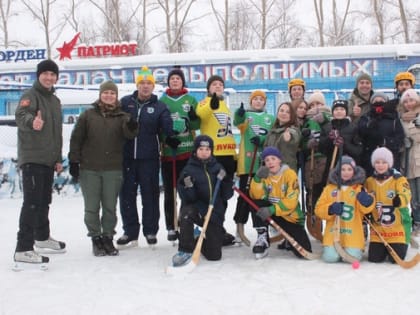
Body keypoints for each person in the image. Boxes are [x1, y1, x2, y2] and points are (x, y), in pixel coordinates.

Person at [68, 81, 138, 256]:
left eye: (112, 93)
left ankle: (107, 237)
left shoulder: (122, 116)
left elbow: (130, 135)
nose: (109, 96)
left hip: (112, 169)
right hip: (89, 169)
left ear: (116, 96)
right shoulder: (88, 115)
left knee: (109, 207)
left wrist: (132, 125)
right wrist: (74, 161)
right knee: (91, 207)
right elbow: (76, 139)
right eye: (105, 93)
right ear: (100, 94)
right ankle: (96, 238)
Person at [14, 59, 65, 266]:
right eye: (45, 74)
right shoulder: (30, 96)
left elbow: (56, 133)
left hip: (47, 159)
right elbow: (21, 115)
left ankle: (42, 237)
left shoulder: (54, 100)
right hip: (32, 157)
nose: (49, 77)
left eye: (52, 74)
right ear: (38, 75)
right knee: (32, 202)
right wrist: (31, 122)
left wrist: (57, 158)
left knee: (44, 201)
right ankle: (23, 248)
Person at [118, 66, 175, 247]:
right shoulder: (125, 103)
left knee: (150, 195)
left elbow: (166, 124)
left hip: (149, 158)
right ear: (137, 85)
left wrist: (170, 133)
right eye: (142, 83)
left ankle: (150, 231)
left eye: (148, 83)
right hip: (127, 157)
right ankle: (130, 231)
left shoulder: (159, 106)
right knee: (127, 195)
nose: (145, 87)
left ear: (153, 86)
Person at [172, 135, 234, 266]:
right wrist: (187, 186)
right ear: (195, 151)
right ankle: (185, 250)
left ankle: (197, 238)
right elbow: (188, 199)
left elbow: (227, 195)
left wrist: (227, 182)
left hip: (214, 213)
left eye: (207, 149)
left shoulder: (218, 168)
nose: (204, 152)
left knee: (214, 256)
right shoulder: (188, 170)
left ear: (211, 151)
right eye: (201, 149)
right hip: (197, 210)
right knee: (186, 214)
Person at [195, 74, 237, 245]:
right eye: (214, 84)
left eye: (220, 84)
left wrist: (234, 155)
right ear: (208, 88)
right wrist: (211, 103)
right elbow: (201, 114)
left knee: (224, 196)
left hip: (227, 155)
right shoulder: (206, 102)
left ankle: (218, 227)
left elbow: (227, 133)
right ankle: (206, 228)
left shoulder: (225, 106)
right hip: (213, 156)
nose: (218, 87)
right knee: (211, 194)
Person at [249, 146, 312, 259]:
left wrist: (272, 209)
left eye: (273, 158)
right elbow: (256, 196)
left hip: (290, 218)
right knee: (256, 203)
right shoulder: (264, 175)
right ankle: (262, 238)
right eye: (267, 160)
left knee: (304, 251)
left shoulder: (289, 174)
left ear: (279, 160)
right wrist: (257, 179)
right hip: (273, 216)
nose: (270, 162)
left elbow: (291, 201)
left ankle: (288, 239)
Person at [159, 67, 199, 242]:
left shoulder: (190, 99)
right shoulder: (162, 100)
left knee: (187, 191)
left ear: (183, 81)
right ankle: (171, 225)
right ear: (168, 82)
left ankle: (185, 221)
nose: (175, 81)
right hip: (169, 154)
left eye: (178, 78)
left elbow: (197, 124)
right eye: (172, 78)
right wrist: (166, 139)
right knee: (170, 192)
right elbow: (158, 125)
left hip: (187, 153)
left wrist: (193, 118)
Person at [233, 90, 275, 242]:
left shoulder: (270, 118)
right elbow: (237, 122)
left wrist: (263, 140)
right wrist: (239, 113)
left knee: (264, 196)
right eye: (255, 99)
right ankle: (239, 225)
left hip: (264, 165)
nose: (258, 101)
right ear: (251, 102)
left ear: (265, 102)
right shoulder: (246, 117)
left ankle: (268, 224)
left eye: (261, 99)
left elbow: (272, 136)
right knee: (244, 196)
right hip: (247, 163)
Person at [315, 155, 374, 263]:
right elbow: (318, 209)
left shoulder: (359, 188)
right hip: (333, 234)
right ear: (337, 171)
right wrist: (330, 209)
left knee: (352, 258)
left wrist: (367, 202)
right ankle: (331, 249)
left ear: (354, 171)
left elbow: (366, 210)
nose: (346, 172)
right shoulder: (329, 189)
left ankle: (355, 248)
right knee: (330, 258)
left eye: (349, 169)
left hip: (352, 236)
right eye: (342, 169)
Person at [364, 147, 412, 263]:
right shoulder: (369, 181)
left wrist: (400, 199)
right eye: (377, 162)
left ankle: (402, 244)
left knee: (396, 259)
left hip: (397, 231)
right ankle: (382, 248)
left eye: (384, 162)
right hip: (378, 232)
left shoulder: (398, 180)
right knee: (374, 259)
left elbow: (406, 193)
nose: (380, 165)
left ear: (389, 164)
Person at [358, 93, 404, 176]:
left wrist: (385, 141)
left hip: (390, 159)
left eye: (381, 100)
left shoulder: (393, 118)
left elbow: (400, 138)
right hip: (370, 159)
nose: (378, 102)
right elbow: (360, 134)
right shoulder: (366, 117)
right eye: (375, 100)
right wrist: (368, 127)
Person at [399, 89, 420, 236]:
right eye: (405, 101)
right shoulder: (400, 119)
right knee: (412, 196)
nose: (408, 104)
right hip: (407, 161)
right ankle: (416, 222)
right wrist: (402, 143)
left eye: (411, 100)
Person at [264, 102, 301, 172]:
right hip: (270, 172)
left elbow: (294, 136)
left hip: (286, 172)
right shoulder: (271, 132)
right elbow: (265, 150)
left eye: (288, 112)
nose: (284, 113)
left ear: (292, 116)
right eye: (281, 110)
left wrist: (288, 137)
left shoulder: (293, 129)